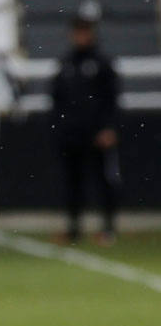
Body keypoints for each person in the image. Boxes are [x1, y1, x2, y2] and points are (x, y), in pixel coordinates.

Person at [49, 15, 121, 245]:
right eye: (78, 31)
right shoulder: (65, 63)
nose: (81, 36)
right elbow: (56, 99)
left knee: (103, 181)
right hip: (71, 135)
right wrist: (60, 127)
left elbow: (112, 98)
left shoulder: (102, 63)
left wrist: (109, 127)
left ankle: (108, 229)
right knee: (72, 182)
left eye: (85, 31)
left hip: (97, 134)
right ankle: (74, 228)